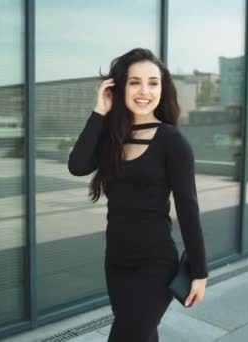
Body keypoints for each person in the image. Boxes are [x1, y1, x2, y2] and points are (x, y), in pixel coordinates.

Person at [68, 48, 208, 341]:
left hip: (155, 264)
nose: (145, 91)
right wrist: (99, 112)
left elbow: (188, 207)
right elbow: (78, 165)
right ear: (121, 88)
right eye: (135, 82)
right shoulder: (112, 135)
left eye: (153, 82)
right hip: (117, 261)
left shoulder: (172, 141)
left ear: (162, 88)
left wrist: (199, 271)